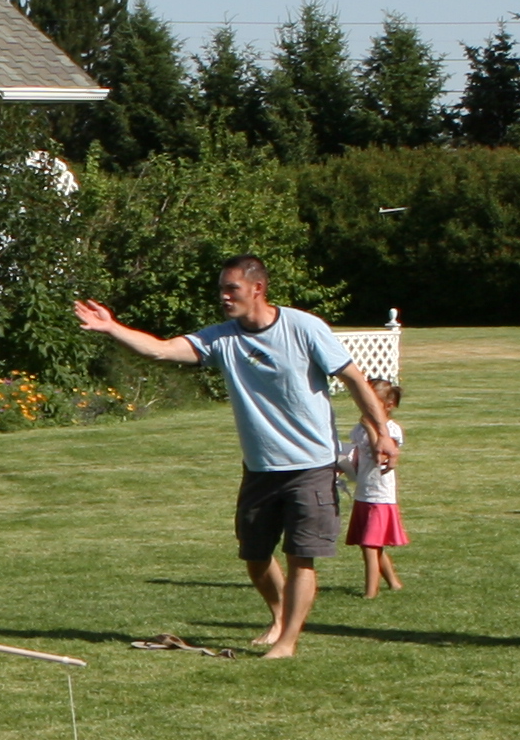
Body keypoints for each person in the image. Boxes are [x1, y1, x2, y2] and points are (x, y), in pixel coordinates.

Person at [75, 257, 398, 658]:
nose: (224, 297)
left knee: (301, 558)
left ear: (258, 288)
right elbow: (161, 350)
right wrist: (112, 327)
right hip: (260, 468)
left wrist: (382, 434)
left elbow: (354, 380)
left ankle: (287, 642)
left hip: (311, 465)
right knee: (256, 556)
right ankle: (279, 617)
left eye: (232, 289)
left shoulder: (304, 327)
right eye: (221, 290)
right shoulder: (222, 338)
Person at [344, 376, 406, 595]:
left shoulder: (391, 430)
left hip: (380, 495)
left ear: (388, 405)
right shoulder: (359, 429)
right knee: (370, 543)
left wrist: (371, 428)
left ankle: (370, 592)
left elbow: (380, 455)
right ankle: (394, 583)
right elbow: (357, 455)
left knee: (370, 545)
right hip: (364, 491)